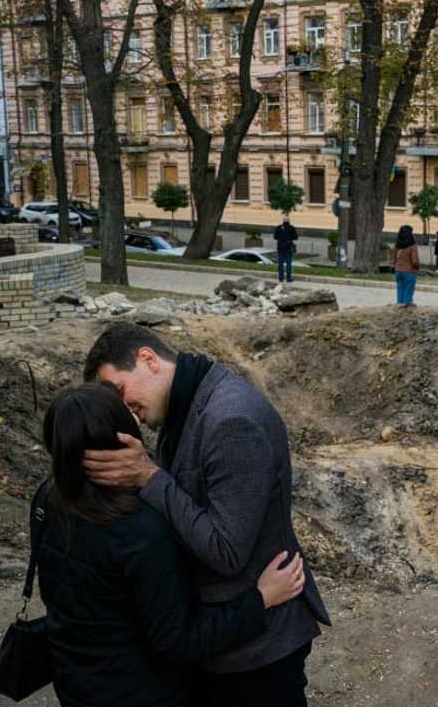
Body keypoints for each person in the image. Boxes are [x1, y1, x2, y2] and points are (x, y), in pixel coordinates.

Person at [81, 324, 330, 707]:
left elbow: (226, 551)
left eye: (119, 391)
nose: (121, 407)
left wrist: (148, 476)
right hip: (219, 642)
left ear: (148, 359)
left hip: (257, 653)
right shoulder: (182, 408)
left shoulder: (232, 420)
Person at [37, 382, 306, 707]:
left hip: (78, 684)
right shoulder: (140, 531)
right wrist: (261, 599)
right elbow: (177, 641)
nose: (135, 415)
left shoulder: (47, 500)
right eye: (125, 413)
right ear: (120, 437)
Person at [392, 225, 420, 307]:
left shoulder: (397, 246)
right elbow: (415, 261)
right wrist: (418, 266)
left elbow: (394, 259)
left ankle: (400, 302)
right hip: (409, 271)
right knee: (409, 288)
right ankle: (407, 302)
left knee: (400, 287)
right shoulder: (412, 247)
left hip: (398, 270)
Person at [273, 216, 298, 283]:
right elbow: (295, 237)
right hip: (288, 248)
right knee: (289, 264)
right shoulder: (292, 228)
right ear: (289, 221)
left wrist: (281, 238)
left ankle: (281, 278)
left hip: (280, 248)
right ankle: (288, 278)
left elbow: (275, 237)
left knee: (280, 264)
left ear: (283, 221)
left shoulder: (278, 227)